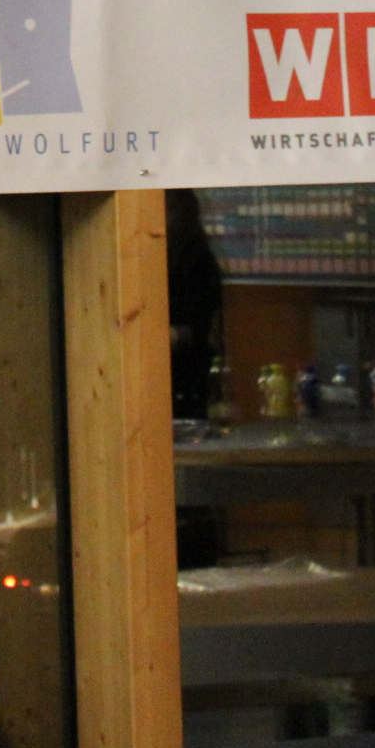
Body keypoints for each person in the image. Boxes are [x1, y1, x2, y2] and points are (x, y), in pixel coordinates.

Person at [167, 188, 226, 568]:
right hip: (184, 377)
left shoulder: (193, 261)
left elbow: (195, 327)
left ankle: (191, 546)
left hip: (184, 378)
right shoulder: (188, 256)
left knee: (187, 470)